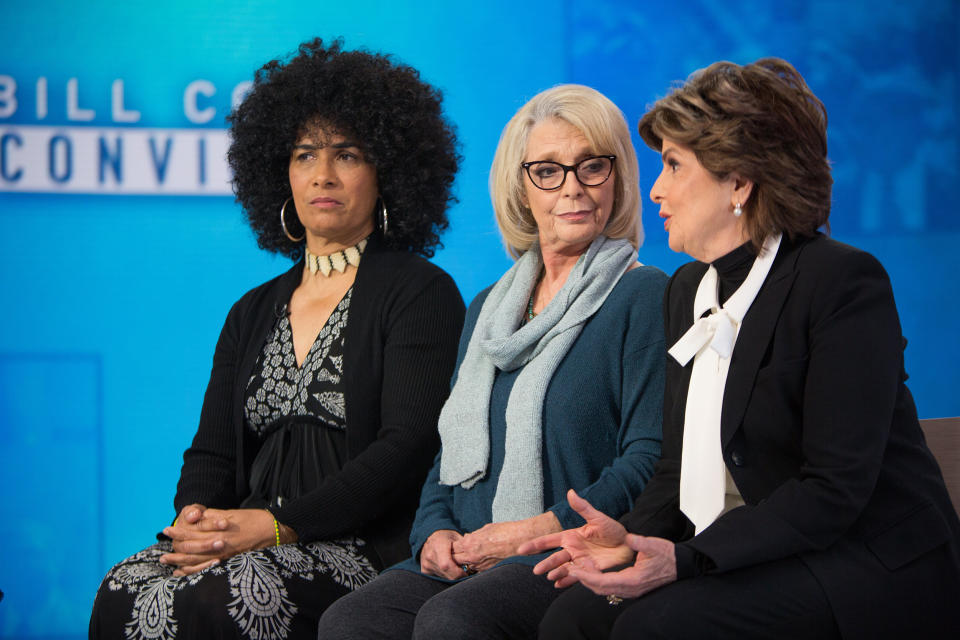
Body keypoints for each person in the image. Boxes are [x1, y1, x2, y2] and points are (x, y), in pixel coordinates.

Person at [522, 58, 960, 639]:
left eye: (674, 165)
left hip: (864, 561)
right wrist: (630, 540)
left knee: (657, 628)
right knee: (570, 621)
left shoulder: (842, 282)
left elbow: (833, 489)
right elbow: (674, 472)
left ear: (738, 182)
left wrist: (684, 560)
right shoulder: (686, 291)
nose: (655, 190)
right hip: (753, 552)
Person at [89, 38, 465, 640]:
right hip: (245, 535)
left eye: (347, 154)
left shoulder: (420, 291)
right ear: (278, 172)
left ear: (386, 170)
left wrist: (276, 525)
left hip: (366, 543)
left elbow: (408, 447)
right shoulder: (251, 309)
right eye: (304, 154)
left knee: (227, 596)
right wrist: (199, 522)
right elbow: (211, 452)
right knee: (123, 589)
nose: (322, 174)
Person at [318, 84, 668, 639]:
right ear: (520, 187)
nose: (573, 188)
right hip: (467, 551)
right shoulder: (487, 307)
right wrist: (432, 533)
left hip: (565, 550)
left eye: (591, 167)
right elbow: (447, 450)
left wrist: (536, 530)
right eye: (548, 171)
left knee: (453, 620)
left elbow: (647, 457)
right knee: (352, 621)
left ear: (618, 177)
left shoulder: (643, 296)